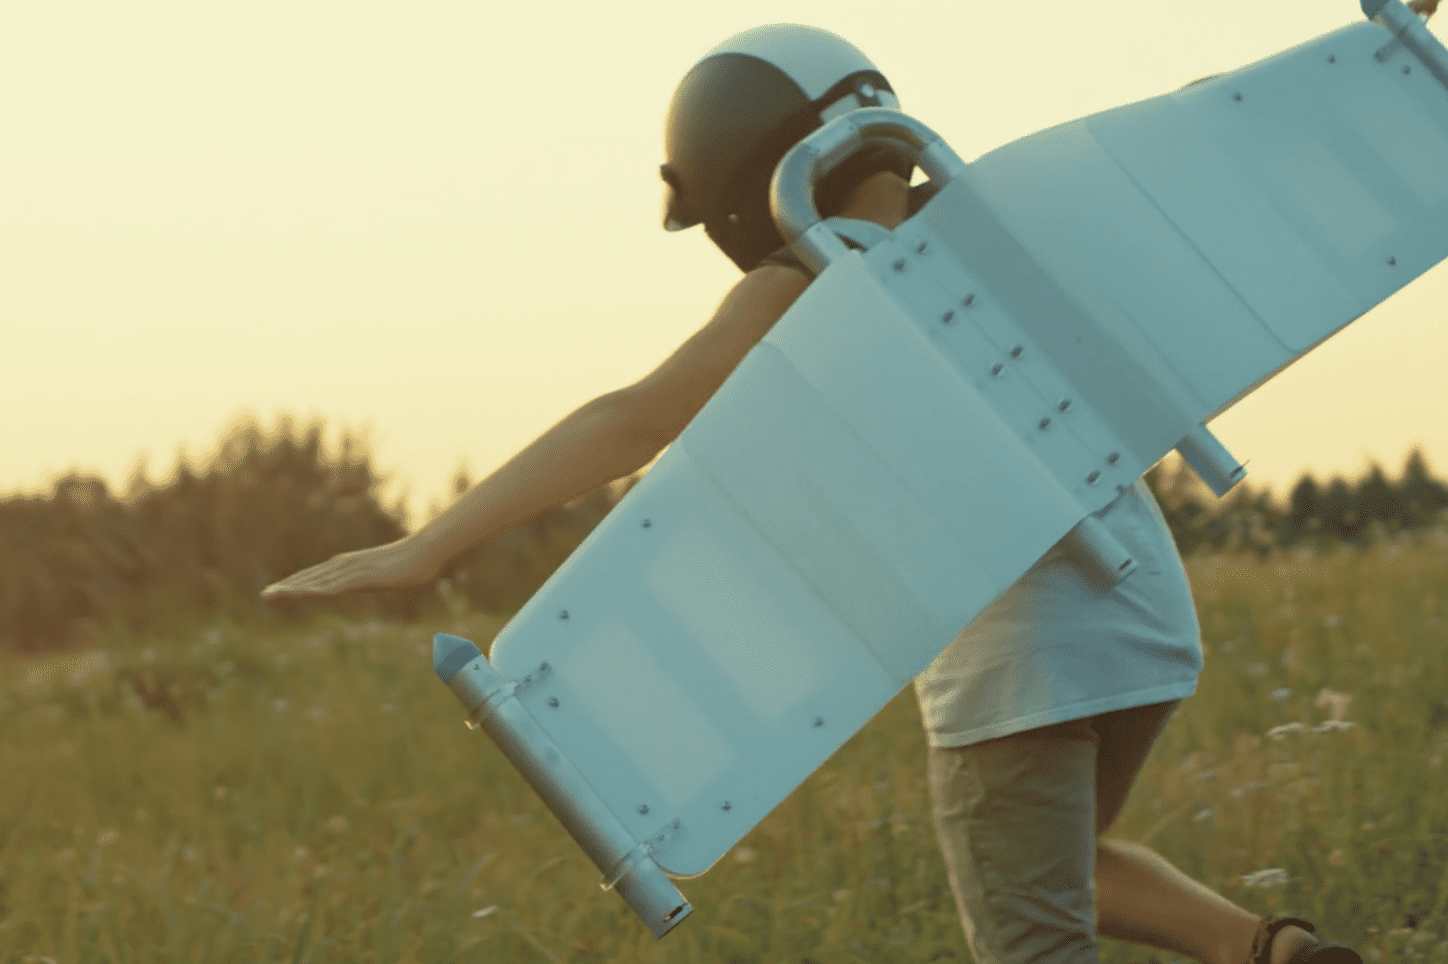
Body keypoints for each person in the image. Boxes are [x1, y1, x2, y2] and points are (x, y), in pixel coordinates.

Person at [261, 24, 1362, 964]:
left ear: (743, 176)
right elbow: (1207, 134)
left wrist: (432, 545)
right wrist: (1372, 60)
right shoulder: (999, 223)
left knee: (1028, 927)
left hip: (1020, 662)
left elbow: (636, 418)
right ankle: (1265, 951)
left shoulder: (814, 279)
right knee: (1059, 858)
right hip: (1138, 621)